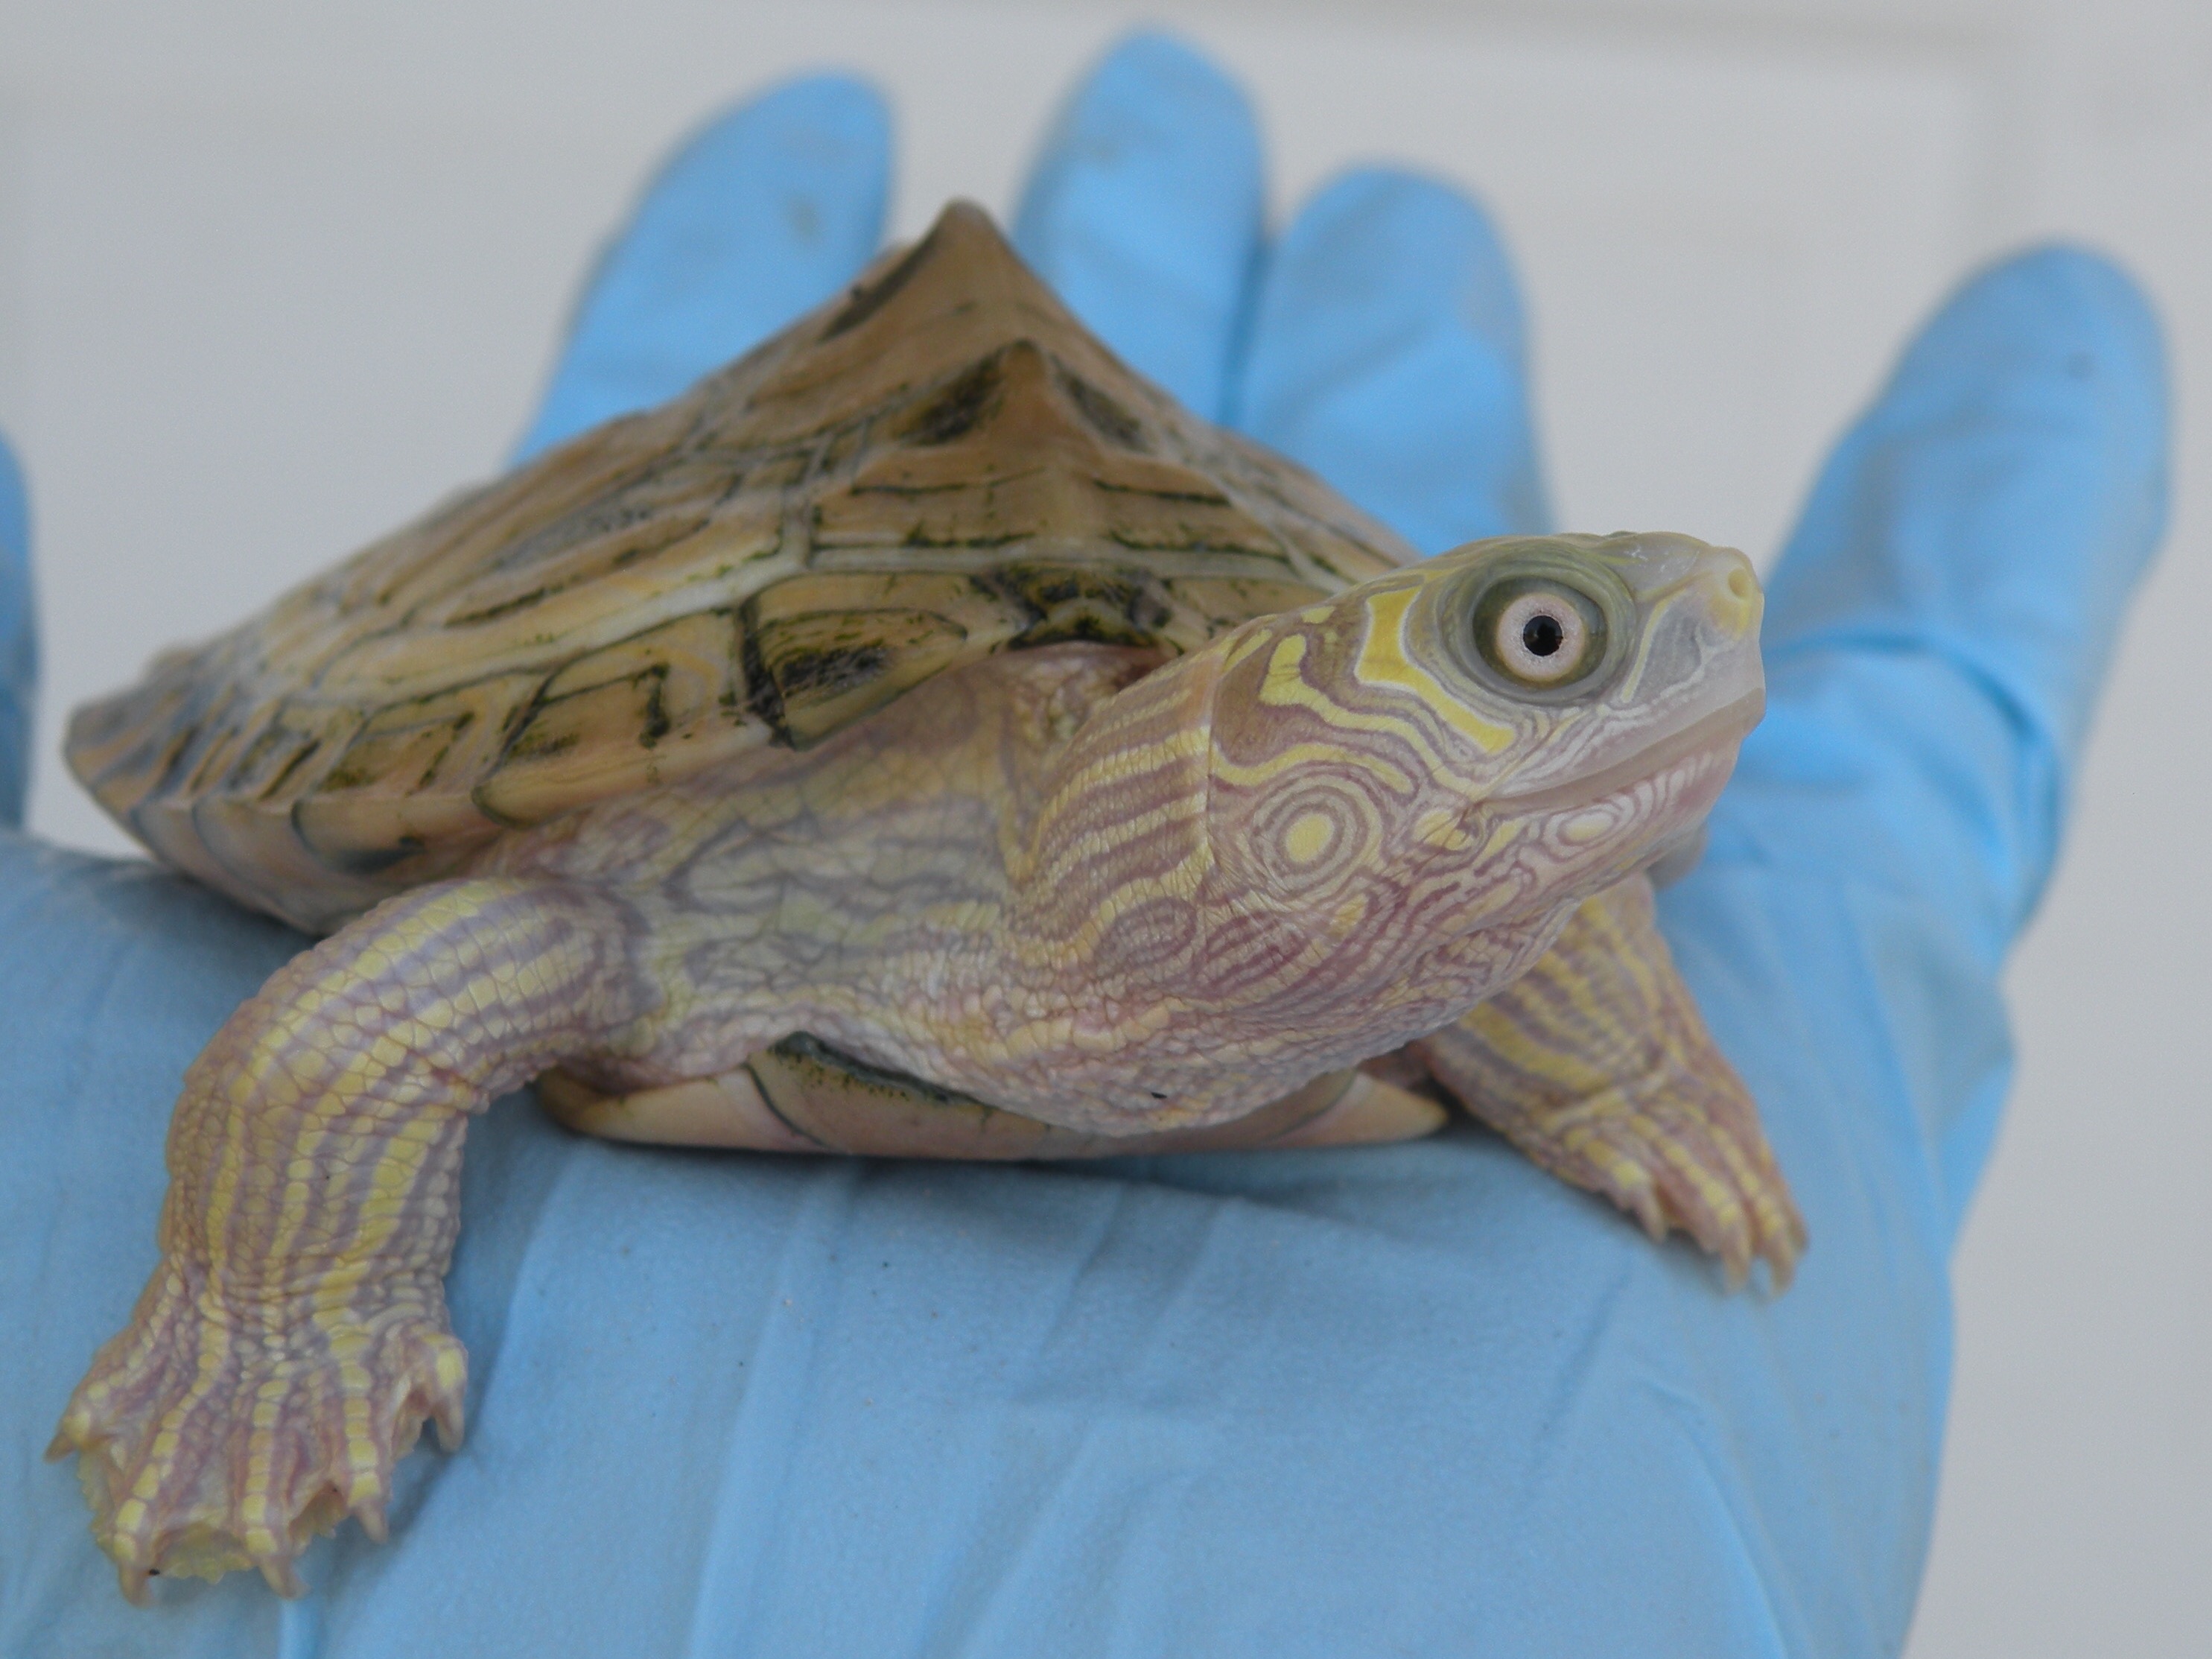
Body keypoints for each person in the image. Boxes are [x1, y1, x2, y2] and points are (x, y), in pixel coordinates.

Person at [0, 31, 2167, 1657]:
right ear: (1234, 742)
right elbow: (343, 1041)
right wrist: (277, 1305)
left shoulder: (1440, 868)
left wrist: (1616, 1059)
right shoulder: (713, 862)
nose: (1691, 634)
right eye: (1535, 635)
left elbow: (1532, 871)